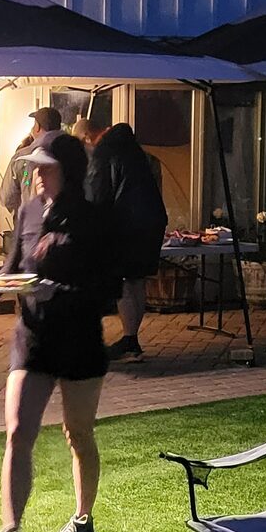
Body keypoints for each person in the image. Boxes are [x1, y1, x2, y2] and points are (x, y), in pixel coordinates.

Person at [0, 135, 111, 532]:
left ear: (69, 170)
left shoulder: (93, 219)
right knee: (17, 431)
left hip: (80, 342)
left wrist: (56, 291)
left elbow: (105, 292)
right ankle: (10, 531)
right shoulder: (28, 210)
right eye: (34, 166)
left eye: (46, 167)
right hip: (33, 339)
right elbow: (14, 266)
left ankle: (83, 518)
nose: (36, 174)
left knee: (78, 433)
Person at [86, 123, 167, 364]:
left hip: (126, 224)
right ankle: (132, 338)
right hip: (152, 223)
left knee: (122, 281)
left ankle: (128, 341)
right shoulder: (142, 157)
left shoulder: (105, 153)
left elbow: (99, 192)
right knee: (136, 280)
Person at [1, 107, 63, 241]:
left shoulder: (22, 157)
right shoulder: (73, 153)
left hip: (29, 229)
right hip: (63, 228)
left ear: (37, 127)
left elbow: (7, 197)